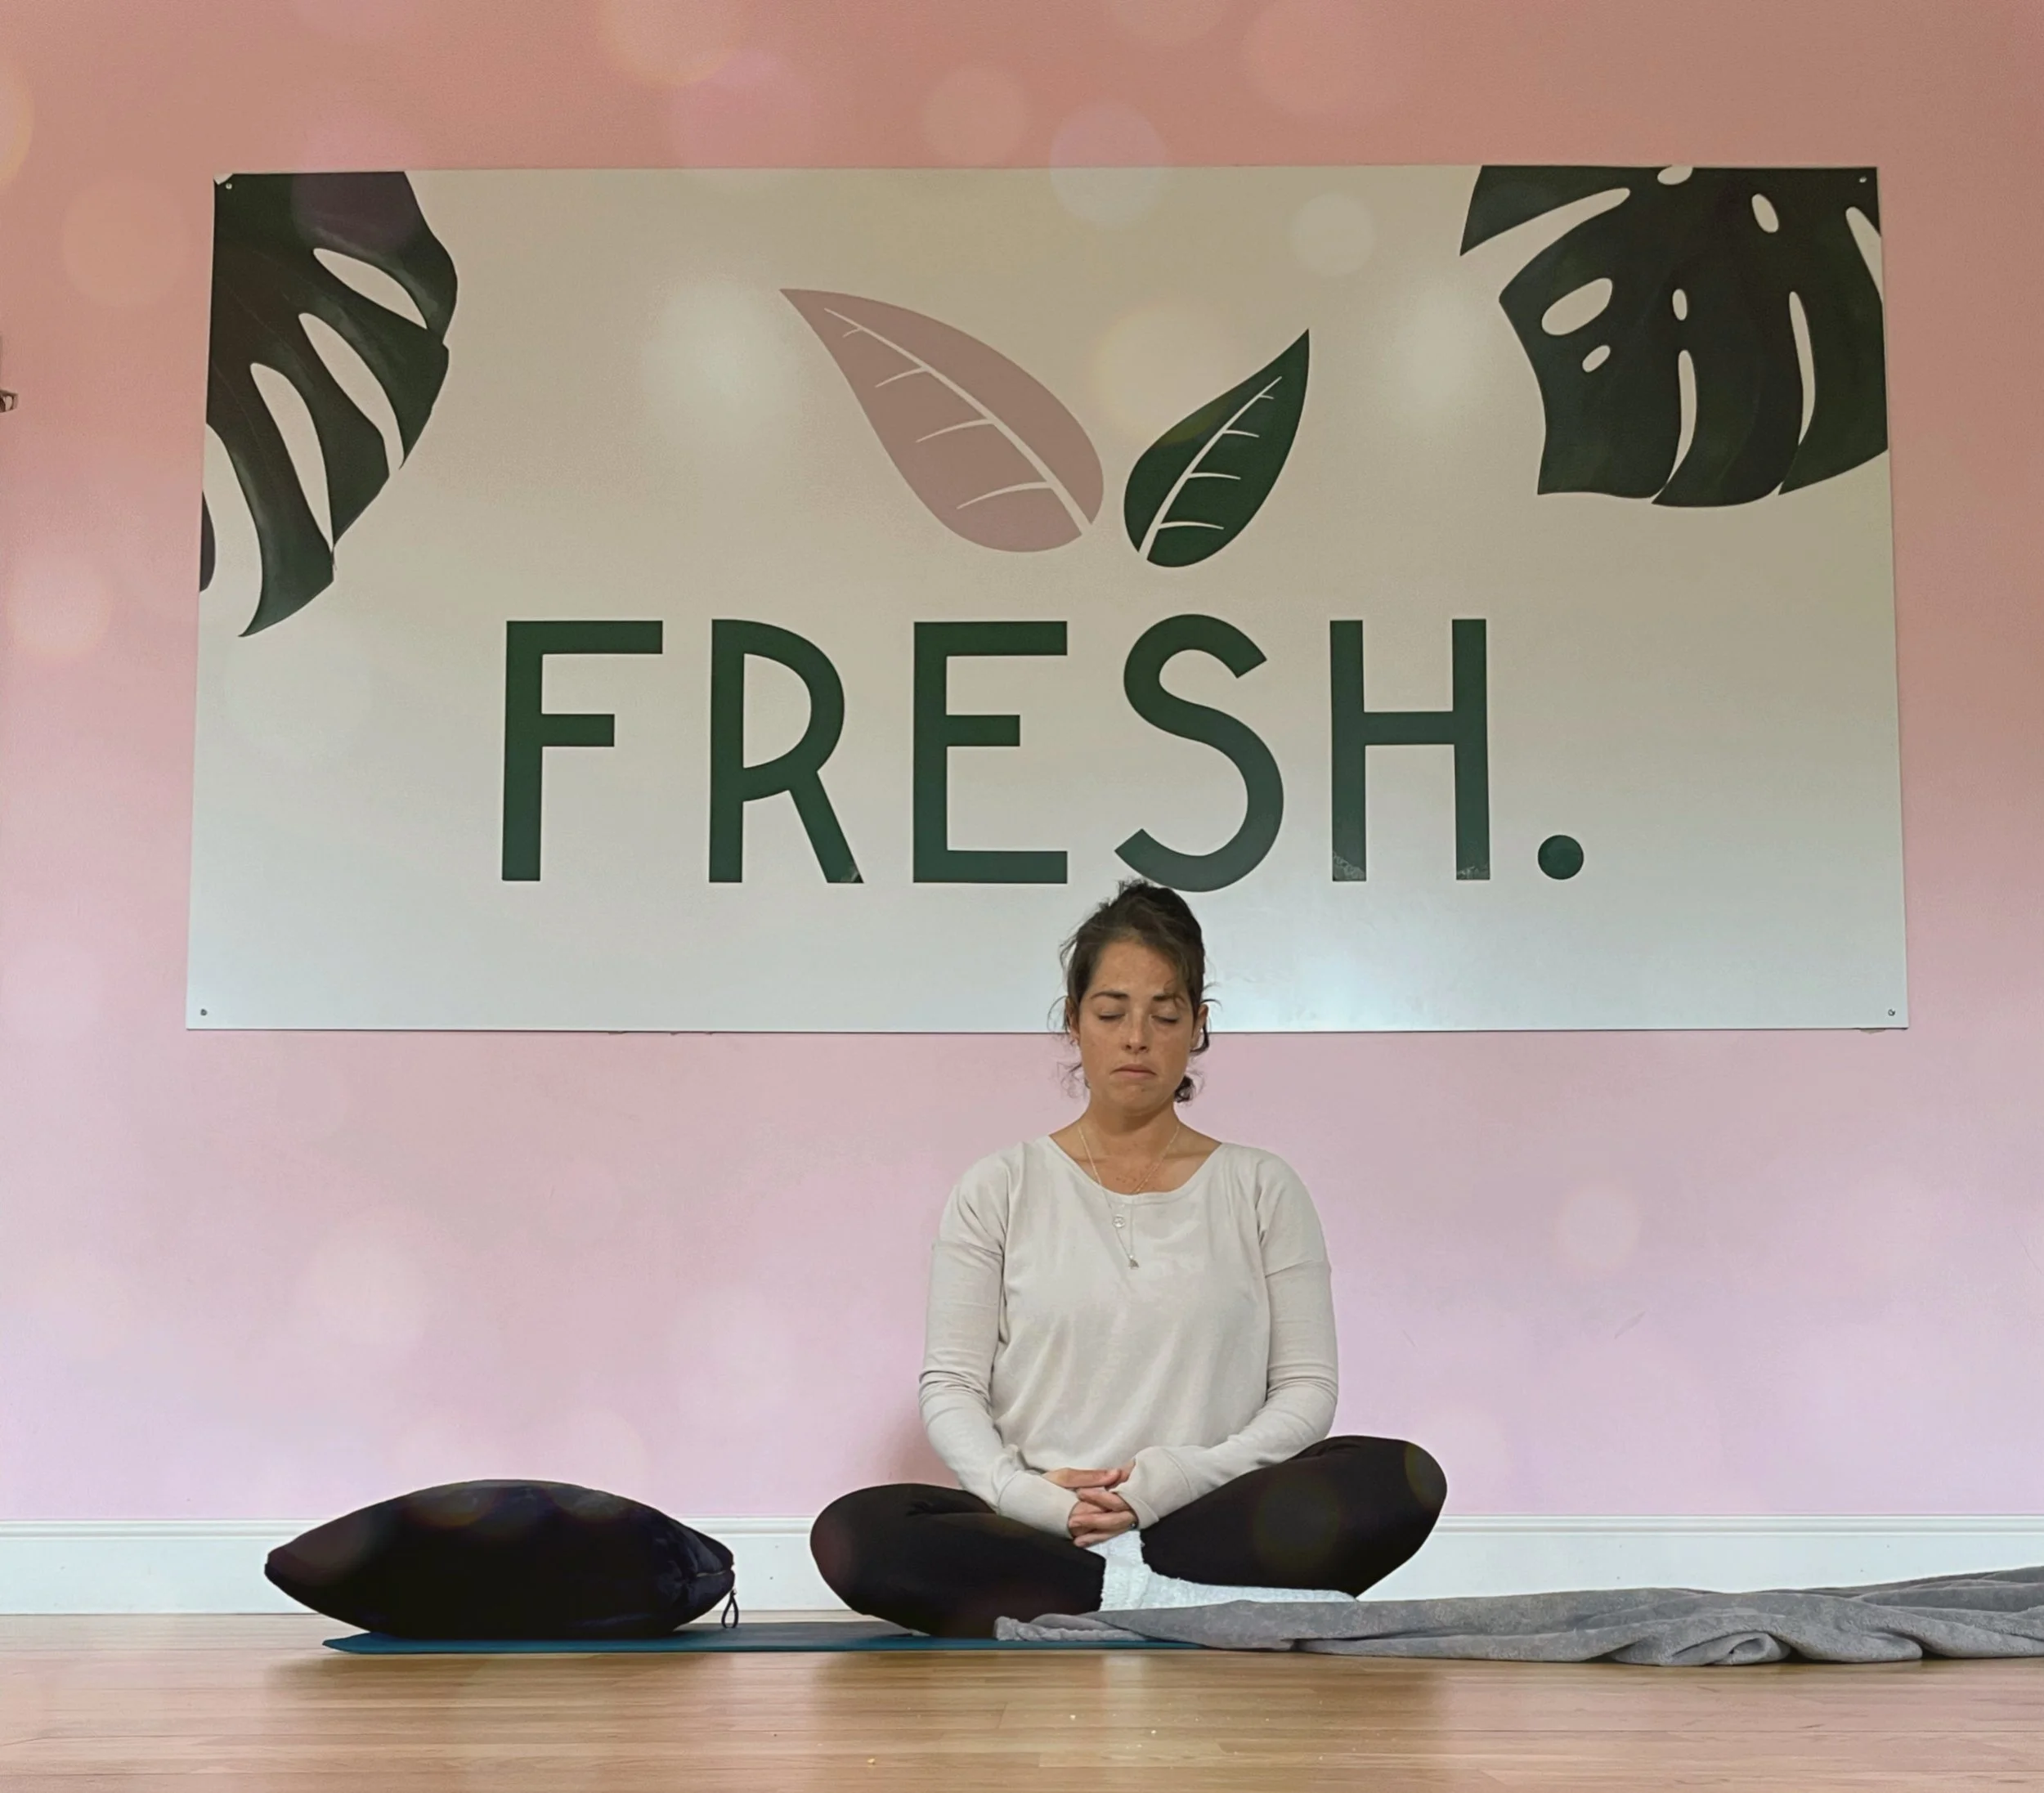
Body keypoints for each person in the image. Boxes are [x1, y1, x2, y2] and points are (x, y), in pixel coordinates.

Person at [810, 880, 1446, 1638]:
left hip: (1202, 1515)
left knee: (1398, 1479)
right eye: (1111, 1012)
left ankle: (1101, 1592)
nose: (1137, 1036)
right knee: (858, 1530)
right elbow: (950, 1385)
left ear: (1198, 1026)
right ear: (1074, 1023)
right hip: (1045, 1521)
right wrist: (1035, 1498)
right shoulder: (1000, 1186)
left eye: (1165, 1013)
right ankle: (1165, 1599)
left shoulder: (1262, 1186)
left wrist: (1169, 1482)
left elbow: (1306, 1390)